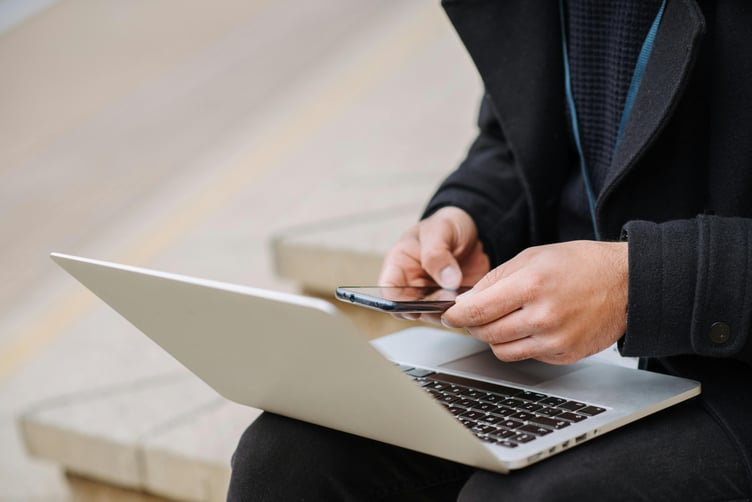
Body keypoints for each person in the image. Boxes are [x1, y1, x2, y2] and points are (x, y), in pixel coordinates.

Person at [228, 0, 752, 500]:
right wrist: (475, 215)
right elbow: (517, 129)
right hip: (568, 360)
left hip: (730, 366)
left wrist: (641, 282)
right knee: (286, 456)